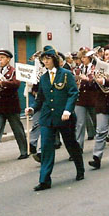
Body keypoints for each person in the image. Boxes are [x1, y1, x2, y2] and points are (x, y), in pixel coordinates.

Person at [25, 46, 83, 191]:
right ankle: (44, 180)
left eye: (48, 58)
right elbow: (41, 98)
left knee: (71, 144)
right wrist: (32, 108)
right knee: (46, 148)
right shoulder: (44, 78)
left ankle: (80, 168)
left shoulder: (66, 74)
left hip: (64, 117)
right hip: (47, 118)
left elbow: (73, 93)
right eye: (43, 59)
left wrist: (68, 110)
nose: (45, 61)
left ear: (55, 59)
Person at [74, 48, 97, 150]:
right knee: (80, 123)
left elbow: (95, 82)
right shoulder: (78, 69)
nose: (82, 59)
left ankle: (100, 141)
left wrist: (87, 79)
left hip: (93, 98)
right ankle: (78, 147)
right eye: (81, 57)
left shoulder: (94, 68)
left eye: (84, 57)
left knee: (97, 122)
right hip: (81, 99)